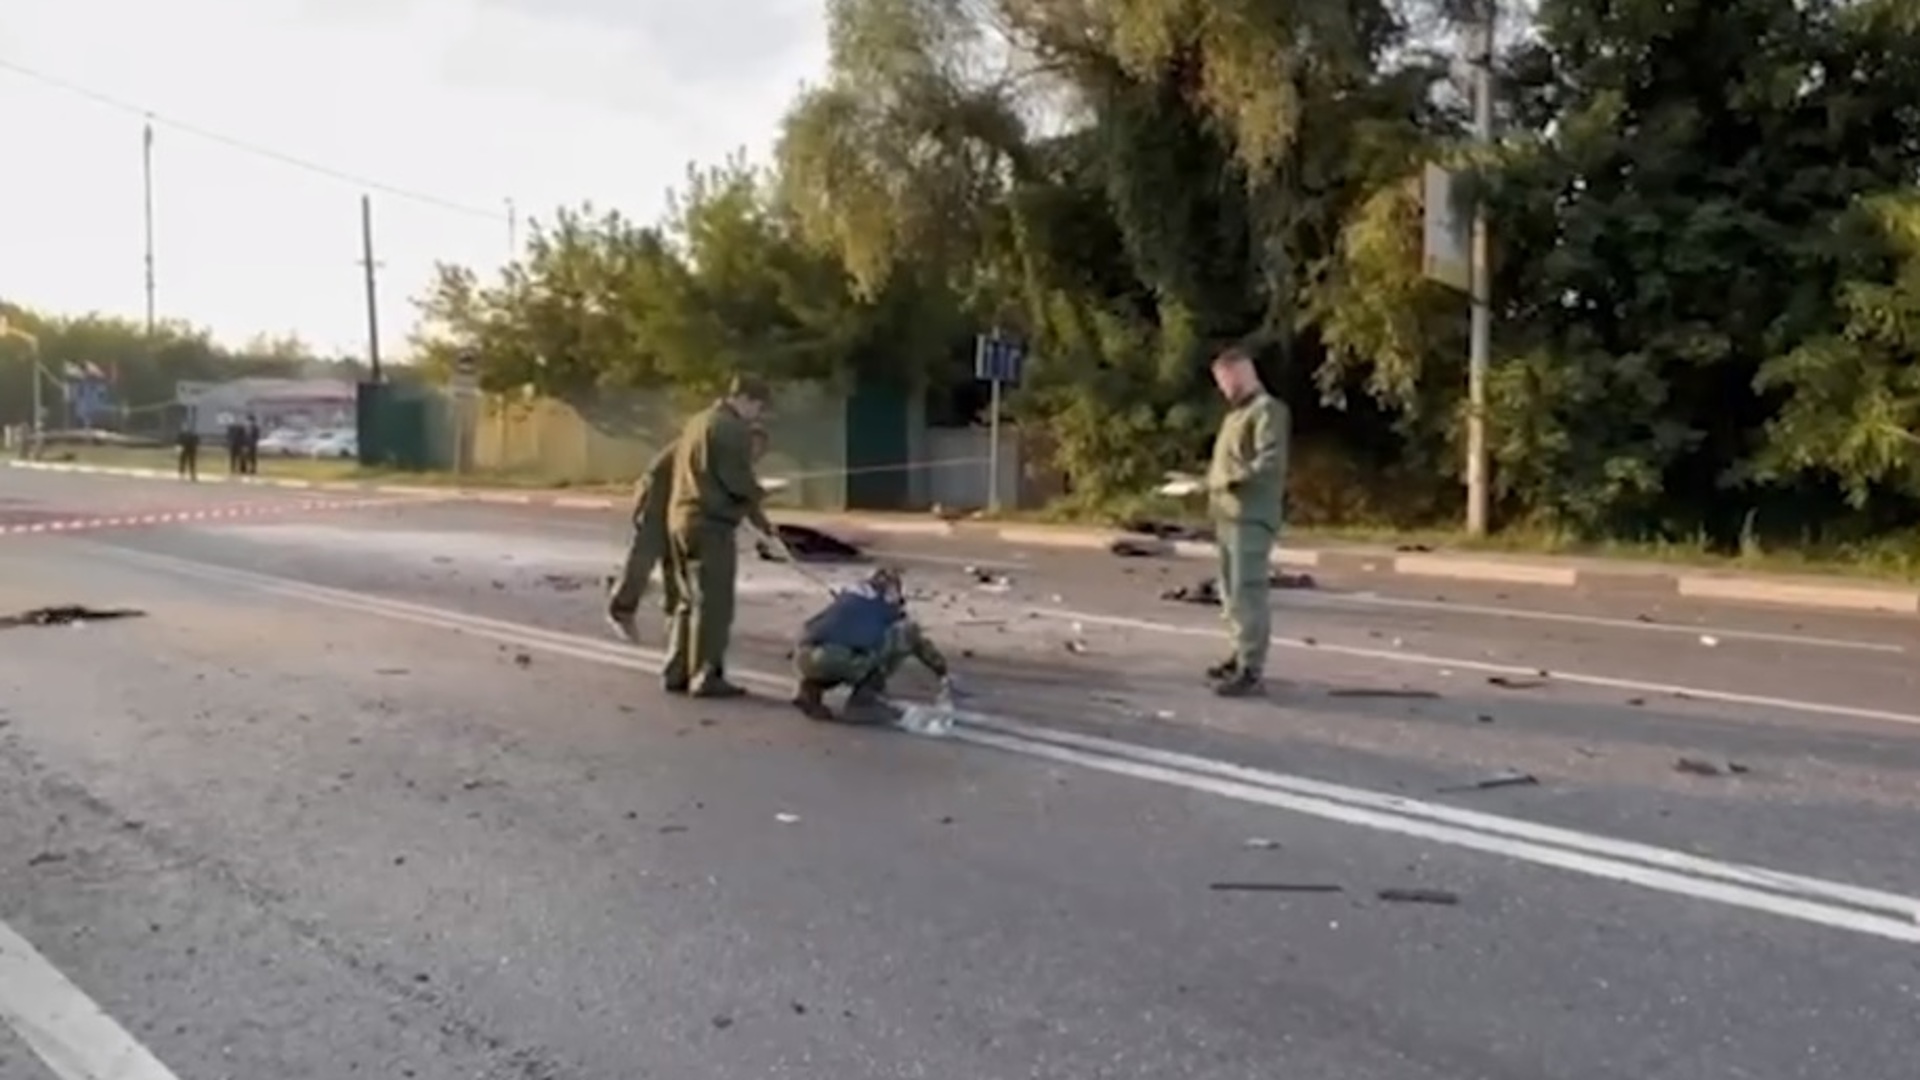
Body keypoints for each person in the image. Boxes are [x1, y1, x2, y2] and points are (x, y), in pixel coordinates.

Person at [662, 376, 791, 697]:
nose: (757, 415)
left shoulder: (697, 422)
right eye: (758, 407)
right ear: (745, 399)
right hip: (711, 525)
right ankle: (706, 674)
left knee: (687, 600)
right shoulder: (732, 430)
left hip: (680, 519)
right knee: (715, 604)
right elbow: (739, 484)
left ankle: (676, 669)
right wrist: (763, 503)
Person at [1203, 343, 1291, 697]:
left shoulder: (1267, 410)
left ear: (1240, 373)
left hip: (1251, 515)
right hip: (1227, 515)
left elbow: (1269, 461)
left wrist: (1232, 480)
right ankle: (1239, 652)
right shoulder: (1234, 417)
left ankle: (1251, 668)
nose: (1223, 390)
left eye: (1225, 381)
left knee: (1247, 591)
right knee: (1229, 592)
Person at [790, 566, 953, 723]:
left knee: (832, 655)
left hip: (805, 658)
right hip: (840, 659)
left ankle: (809, 691)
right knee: (893, 643)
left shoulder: (849, 596)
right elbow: (913, 637)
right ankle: (864, 702)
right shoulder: (888, 605)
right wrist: (941, 669)